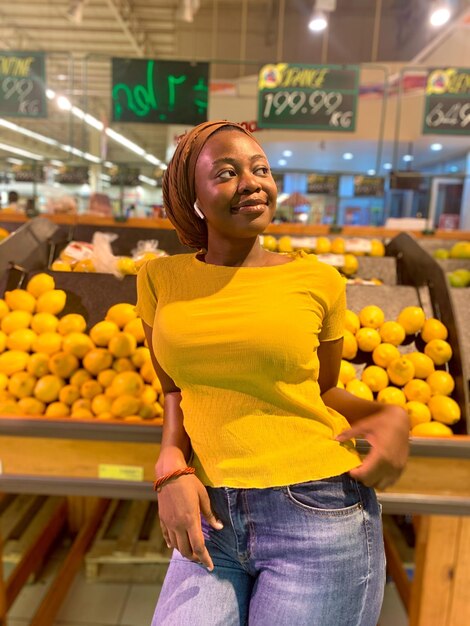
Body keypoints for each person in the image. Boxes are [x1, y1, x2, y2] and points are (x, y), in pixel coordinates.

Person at [135, 120, 409, 626]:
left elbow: (323, 389)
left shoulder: (319, 280)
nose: (251, 182)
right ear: (191, 195)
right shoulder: (159, 278)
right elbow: (174, 389)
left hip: (317, 507)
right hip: (211, 514)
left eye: (260, 169)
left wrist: (385, 414)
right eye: (226, 172)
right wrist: (170, 464)